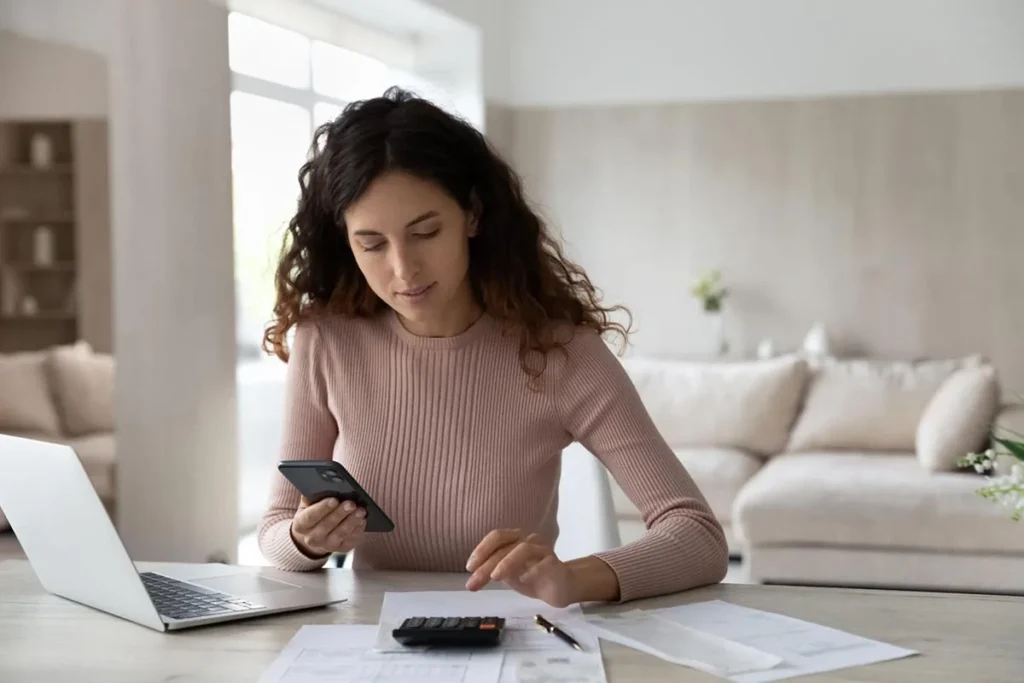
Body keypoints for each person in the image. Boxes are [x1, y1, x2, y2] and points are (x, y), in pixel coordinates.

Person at [257, 87, 728, 607]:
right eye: (372, 243)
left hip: (510, 639)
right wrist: (305, 540)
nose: (403, 269)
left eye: (426, 232)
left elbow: (698, 536)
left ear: (473, 215)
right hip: (368, 639)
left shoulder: (559, 352)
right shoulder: (327, 340)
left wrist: (575, 579)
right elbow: (276, 531)